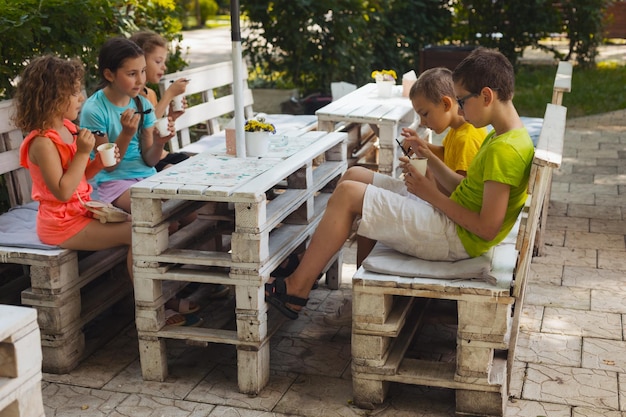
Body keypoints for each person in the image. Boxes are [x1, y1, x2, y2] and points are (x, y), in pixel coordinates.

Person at [265, 47, 535, 320]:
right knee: (355, 176)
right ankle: (312, 265)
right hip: (450, 223)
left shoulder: (505, 150)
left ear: (486, 96)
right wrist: (428, 159)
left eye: (462, 101)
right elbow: (460, 186)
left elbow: (487, 229)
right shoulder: (501, 138)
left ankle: (296, 290)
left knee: (348, 193)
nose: (460, 108)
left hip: (455, 238)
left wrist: (431, 196)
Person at [13, 55, 185, 326]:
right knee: (139, 234)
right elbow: (62, 191)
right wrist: (83, 153)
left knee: (145, 226)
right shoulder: (43, 142)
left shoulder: (68, 128)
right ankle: (152, 311)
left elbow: (81, 177)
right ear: (54, 97)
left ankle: (155, 299)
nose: (80, 99)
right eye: (73, 94)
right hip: (60, 223)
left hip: (82, 211)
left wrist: (98, 162)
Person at [79, 37, 202, 323]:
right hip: (110, 184)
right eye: (131, 73)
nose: (139, 80)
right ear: (109, 75)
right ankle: (157, 304)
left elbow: (149, 159)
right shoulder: (94, 110)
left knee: (189, 213)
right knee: (159, 221)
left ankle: (169, 286)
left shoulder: (142, 102)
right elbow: (106, 167)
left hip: (143, 176)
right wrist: (124, 133)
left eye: (142, 72)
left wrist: (160, 141)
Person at [400, 67, 487, 180]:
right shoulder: (458, 129)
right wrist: (420, 145)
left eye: (425, 114)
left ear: (446, 104)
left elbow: (459, 188)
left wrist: (422, 173)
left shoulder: (467, 139)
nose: (422, 122)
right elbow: (446, 155)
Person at [129, 30, 191, 172]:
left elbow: (156, 131)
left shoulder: (149, 94)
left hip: (161, 156)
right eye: (158, 61)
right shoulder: (132, 97)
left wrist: (171, 117)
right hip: (145, 161)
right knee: (177, 172)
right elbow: (145, 131)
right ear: (141, 61)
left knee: (194, 163)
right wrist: (168, 95)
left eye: (164, 62)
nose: (164, 67)